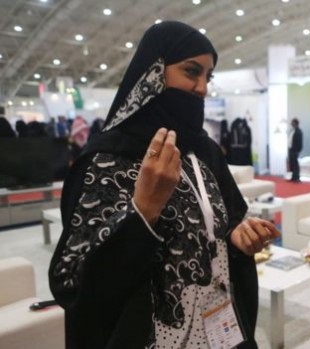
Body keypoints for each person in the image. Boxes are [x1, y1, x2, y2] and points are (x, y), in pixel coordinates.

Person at [49, 21, 280, 349]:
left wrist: (237, 237)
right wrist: (144, 209)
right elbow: (75, 281)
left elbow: (220, 228)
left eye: (207, 76)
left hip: (220, 328)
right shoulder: (106, 160)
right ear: (154, 72)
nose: (202, 87)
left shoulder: (204, 152)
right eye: (191, 71)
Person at [287, 117, 303, 182]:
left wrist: (298, 151)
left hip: (295, 150)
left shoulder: (299, 131)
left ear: (295, 123)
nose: (291, 123)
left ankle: (297, 177)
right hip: (290, 149)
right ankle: (293, 177)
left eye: (292, 122)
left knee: (295, 164)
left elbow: (299, 142)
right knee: (292, 164)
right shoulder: (292, 130)